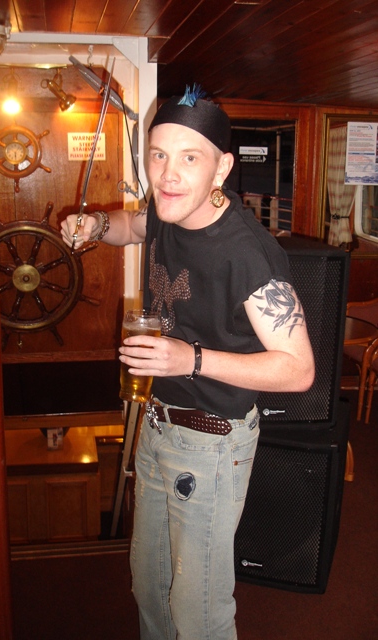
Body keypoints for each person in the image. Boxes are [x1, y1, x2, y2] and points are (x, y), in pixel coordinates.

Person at [61, 85, 315, 640]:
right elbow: (133, 226)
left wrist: (190, 359)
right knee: (149, 588)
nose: (168, 174)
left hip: (212, 443)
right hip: (158, 427)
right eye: (159, 155)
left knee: (197, 611)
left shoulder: (247, 253)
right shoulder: (168, 208)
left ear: (221, 167)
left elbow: (298, 370)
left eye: (189, 158)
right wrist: (96, 226)